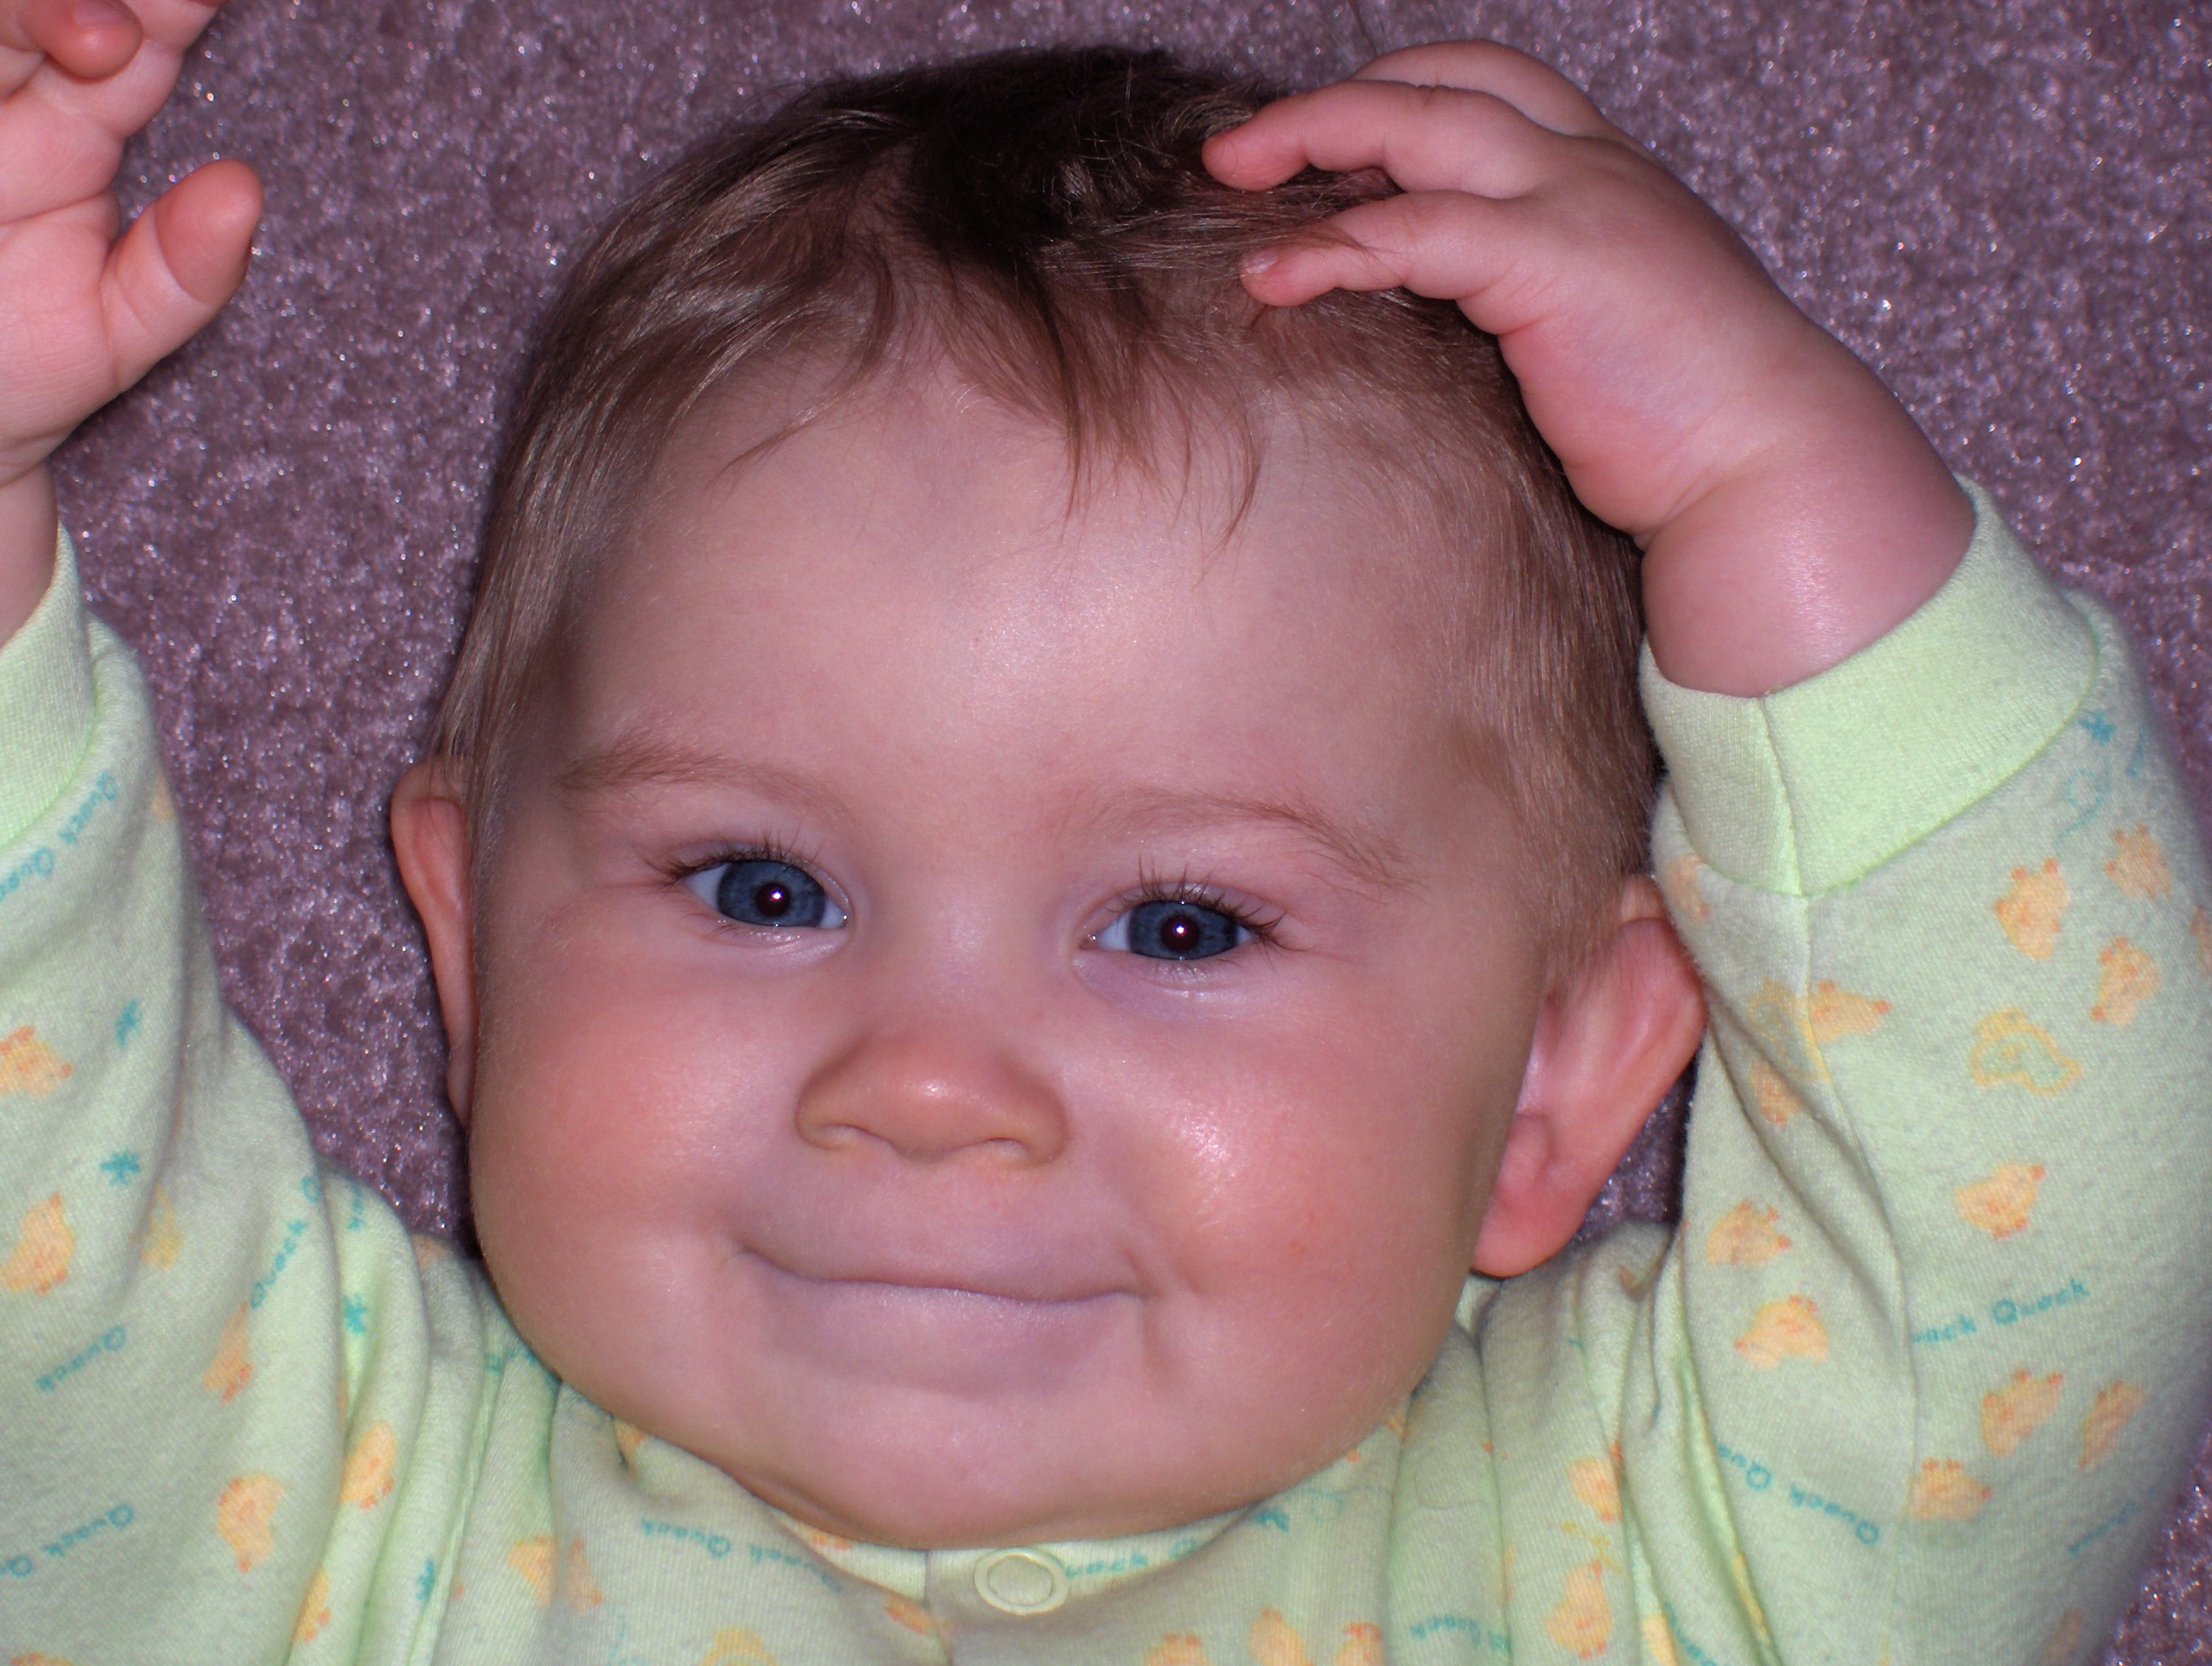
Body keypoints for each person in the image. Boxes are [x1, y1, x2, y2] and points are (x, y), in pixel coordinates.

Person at [3, 2, 2206, 1660]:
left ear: (1554, 1070)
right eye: (763, 891)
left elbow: (2045, 1246)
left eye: (1179, 927)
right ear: (477, 955)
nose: (926, 1086)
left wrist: (1774, 486)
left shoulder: (1670, 1552)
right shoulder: (323, 1524)